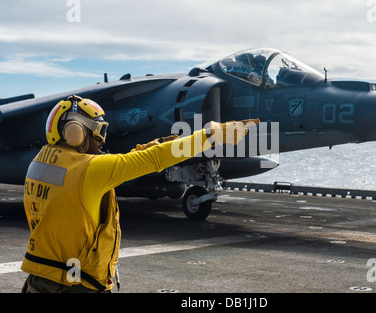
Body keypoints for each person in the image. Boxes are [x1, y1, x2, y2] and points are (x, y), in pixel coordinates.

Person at [21, 95, 251, 293]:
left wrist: (145, 149)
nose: (102, 140)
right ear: (75, 132)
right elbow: (154, 160)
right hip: (77, 284)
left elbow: (109, 167)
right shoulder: (90, 170)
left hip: (40, 279)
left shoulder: (39, 164)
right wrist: (209, 135)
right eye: (98, 131)